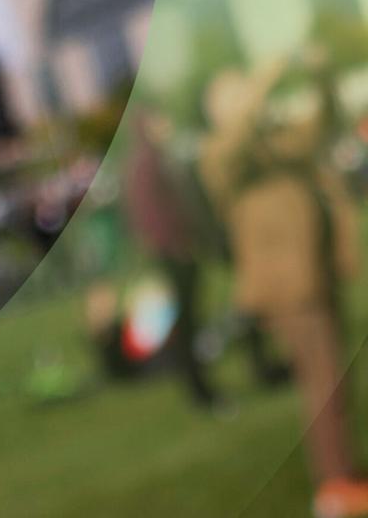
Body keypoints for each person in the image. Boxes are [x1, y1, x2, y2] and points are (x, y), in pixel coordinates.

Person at [198, 50, 368, 518]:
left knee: (335, 381)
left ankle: (343, 476)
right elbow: (235, 138)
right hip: (287, 290)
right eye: (237, 97)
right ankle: (334, 488)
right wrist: (263, 78)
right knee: (323, 384)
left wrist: (320, 74)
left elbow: (322, 123)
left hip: (315, 275)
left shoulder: (274, 145)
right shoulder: (221, 157)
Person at [121, 108, 222, 409]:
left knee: (189, 320)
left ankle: (200, 386)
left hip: (176, 250)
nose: (165, 125)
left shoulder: (153, 159)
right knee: (185, 322)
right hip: (174, 253)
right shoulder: (148, 162)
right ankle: (199, 390)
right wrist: (177, 244)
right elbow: (152, 214)